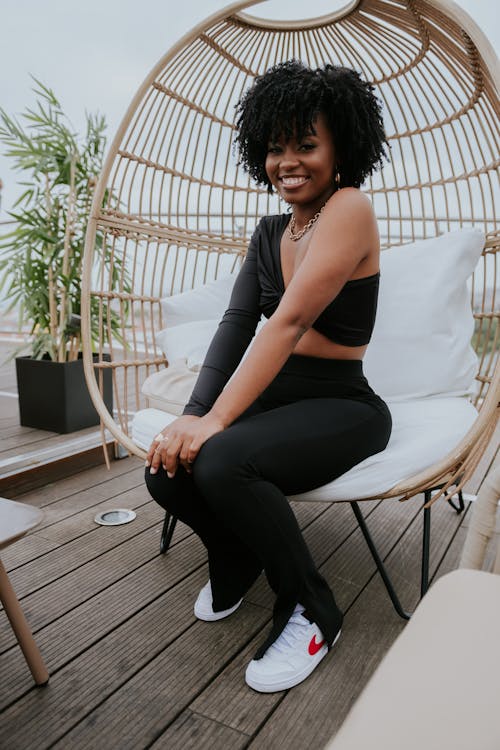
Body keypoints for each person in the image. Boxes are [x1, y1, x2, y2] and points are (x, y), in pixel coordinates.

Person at [145, 60, 392, 693]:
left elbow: (285, 323)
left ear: (341, 148)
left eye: (306, 145)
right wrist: (194, 416)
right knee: (165, 466)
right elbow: (234, 326)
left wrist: (218, 423)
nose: (289, 160)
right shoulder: (268, 233)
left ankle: (312, 608)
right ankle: (236, 556)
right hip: (278, 394)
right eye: (276, 146)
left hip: (344, 404)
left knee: (224, 462)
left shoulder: (349, 207)